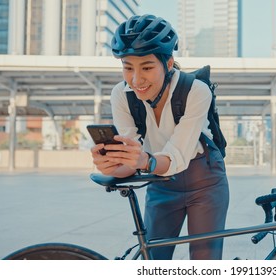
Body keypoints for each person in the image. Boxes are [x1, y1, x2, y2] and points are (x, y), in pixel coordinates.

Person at [90, 14, 229, 260]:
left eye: (146, 67)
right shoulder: (121, 95)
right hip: (161, 183)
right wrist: (113, 166)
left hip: (205, 181)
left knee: (205, 263)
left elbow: (175, 156)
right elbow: (131, 163)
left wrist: (144, 161)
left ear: (168, 63)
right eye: (127, 67)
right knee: (153, 260)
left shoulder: (196, 91)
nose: (135, 79)